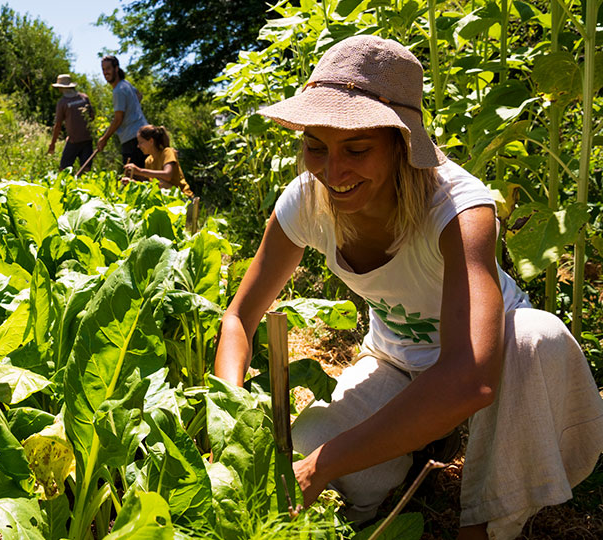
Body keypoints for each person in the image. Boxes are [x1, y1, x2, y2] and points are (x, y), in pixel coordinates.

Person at [212, 35, 603, 540]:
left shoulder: (460, 209)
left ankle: (483, 523)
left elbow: (471, 378)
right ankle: (420, 440)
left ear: (403, 145)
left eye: (356, 148)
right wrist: (230, 413)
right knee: (309, 445)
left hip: (501, 369)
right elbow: (238, 318)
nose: (332, 171)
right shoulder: (306, 201)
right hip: (396, 362)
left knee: (535, 334)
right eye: (315, 146)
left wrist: (320, 467)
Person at [96, 55, 149, 168]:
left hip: (132, 139)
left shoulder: (118, 90)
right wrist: (132, 108)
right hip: (143, 135)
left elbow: (118, 119)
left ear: (116, 69)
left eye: (108, 68)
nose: (105, 72)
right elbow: (139, 95)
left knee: (132, 177)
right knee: (144, 175)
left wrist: (104, 139)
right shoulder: (126, 84)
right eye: (103, 69)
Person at [122, 125, 193, 197]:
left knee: (159, 183)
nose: (138, 146)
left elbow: (167, 175)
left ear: (151, 141)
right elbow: (150, 185)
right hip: (168, 198)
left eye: (141, 142)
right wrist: (134, 183)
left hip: (184, 197)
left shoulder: (167, 152)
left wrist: (140, 171)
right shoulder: (148, 160)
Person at [47, 74, 95, 172]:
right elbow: (92, 116)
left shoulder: (63, 102)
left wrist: (53, 144)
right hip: (87, 139)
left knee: (63, 170)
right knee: (86, 170)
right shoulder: (84, 98)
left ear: (61, 88)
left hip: (73, 141)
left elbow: (58, 125)